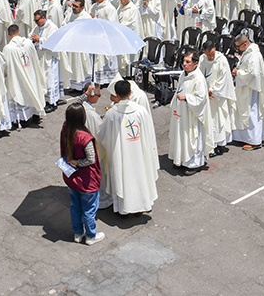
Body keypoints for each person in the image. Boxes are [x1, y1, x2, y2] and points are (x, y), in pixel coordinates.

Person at [97, 80, 159, 215]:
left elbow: (102, 135)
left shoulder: (111, 114)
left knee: (123, 178)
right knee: (140, 176)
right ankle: (142, 205)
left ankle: (123, 210)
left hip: (121, 154)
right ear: (130, 93)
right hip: (139, 153)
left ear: (116, 95)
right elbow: (149, 133)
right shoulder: (141, 111)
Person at [60, 103, 104, 245]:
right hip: (87, 180)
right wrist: (77, 162)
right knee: (89, 210)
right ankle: (91, 235)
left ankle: (78, 233)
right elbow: (91, 159)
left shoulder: (65, 129)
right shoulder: (85, 137)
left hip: (72, 177)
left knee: (75, 206)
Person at [169, 49, 213, 175]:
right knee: (181, 136)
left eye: (188, 62)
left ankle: (194, 164)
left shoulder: (198, 79)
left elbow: (201, 99)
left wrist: (187, 98)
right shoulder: (184, 74)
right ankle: (181, 160)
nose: (184, 64)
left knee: (192, 138)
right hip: (182, 113)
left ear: (195, 63)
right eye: (184, 61)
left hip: (192, 115)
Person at [231, 33, 264, 150]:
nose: (238, 49)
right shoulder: (248, 53)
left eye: (238, 47)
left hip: (251, 90)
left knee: (252, 113)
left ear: (245, 44)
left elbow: (253, 75)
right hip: (245, 88)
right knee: (245, 112)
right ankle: (244, 137)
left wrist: (238, 73)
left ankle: (254, 140)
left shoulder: (253, 55)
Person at [4, 24, 47, 126]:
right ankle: (36, 114)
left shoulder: (8, 48)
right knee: (33, 90)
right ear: (19, 33)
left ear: (9, 35)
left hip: (18, 76)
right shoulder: (28, 43)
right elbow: (34, 57)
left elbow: (6, 65)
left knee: (21, 93)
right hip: (31, 71)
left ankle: (23, 118)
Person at [198, 40, 236, 154]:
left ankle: (219, 144)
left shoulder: (222, 60)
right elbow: (199, 75)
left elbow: (223, 80)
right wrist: (203, 90)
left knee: (218, 120)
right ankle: (209, 144)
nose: (211, 57)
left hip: (217, 96)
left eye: (213, 54)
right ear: (204, 52)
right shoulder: (202, 59)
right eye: (208, 54)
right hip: (206, 95)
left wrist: (211, 91)